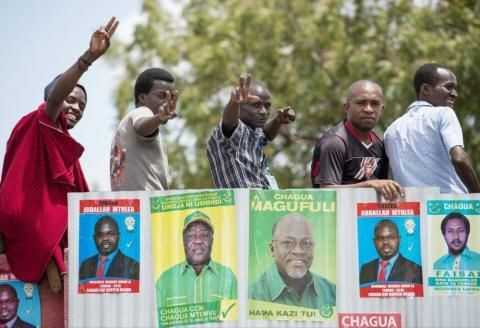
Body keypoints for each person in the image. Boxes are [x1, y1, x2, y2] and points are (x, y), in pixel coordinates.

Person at [0, 17, 119, 292]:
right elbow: (55, 99)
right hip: (29, 228)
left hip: (43, 236)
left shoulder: (63, 142)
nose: (76, 107)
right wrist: (87, 58)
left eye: (82, 106)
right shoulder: (41, 119)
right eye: (71, 99)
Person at [384, 63, 480, 193]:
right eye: (448, 87)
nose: (455, 94)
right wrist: (477, 196)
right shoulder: (443, 114)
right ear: (426, 89)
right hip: (451, 207)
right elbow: (459, 158)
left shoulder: (391, 130)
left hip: (412, 210)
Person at [311, 80, 403, 201]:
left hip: (367, 216)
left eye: (375, 104)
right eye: (361, 103)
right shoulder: (334, 143)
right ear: (347, 107)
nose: (369, 109)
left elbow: (383, 185)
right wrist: (369, 185)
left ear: (382, 109)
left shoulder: (380, 144)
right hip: (335, 217)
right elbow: (326, 192)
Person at [207, 75, 295, 188]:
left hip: (262, 202)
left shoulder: (253, 132)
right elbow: (228, 123)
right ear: (240, 106)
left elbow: (266, 135)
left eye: (267, 106)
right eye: (256, 105)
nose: (263, 111)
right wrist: (234, 102)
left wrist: (277, 121)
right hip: (242, 204)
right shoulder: (231, 132)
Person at [249, 213, 335, 310]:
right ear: (272, 249)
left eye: (306, 243)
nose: (298, 251)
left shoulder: (332, 293)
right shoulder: (252, 296)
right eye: (287, 243)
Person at [110, 68, 177, 191]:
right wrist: (158, 118)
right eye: (162, 96)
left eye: (172, 97)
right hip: (147, 204)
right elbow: (141, 126)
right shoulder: (142, 112)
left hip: (129, 205)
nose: (168, 102)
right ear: (142, 98)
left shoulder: (124, 126)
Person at [156, 211, 237, 308]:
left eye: (204, 235)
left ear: (212, 240)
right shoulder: (165, 280)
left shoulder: (228, 278)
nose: (198, 240)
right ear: (183, 240)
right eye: (191, 235)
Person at [360, 219, 422, 285]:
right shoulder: (365, 269)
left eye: (391, 237)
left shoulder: (415, 270)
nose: (385, 242)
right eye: (380, 238)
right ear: (374, 242)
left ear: (399, 239)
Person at [79, 216, 139, 280]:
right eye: (100, 235)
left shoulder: (133, 266)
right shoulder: (85, 265)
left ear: (118, 236)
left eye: (110, 234)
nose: (105, 238)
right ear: (94, 238)